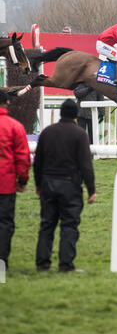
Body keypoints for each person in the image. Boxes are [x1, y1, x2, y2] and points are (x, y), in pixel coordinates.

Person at [34, 99, 96, 272]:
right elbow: (85, 165)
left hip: (48, 183)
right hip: (70, 185)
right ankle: (66, 264)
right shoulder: (80, 134)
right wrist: (91, 190)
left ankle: (42, 263)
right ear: (76, 115)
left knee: (46, 224)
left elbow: (38, 161)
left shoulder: (47, 132)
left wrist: (38, 184)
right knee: (69, 225)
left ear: (61, 113)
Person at [0, 90, 31, 270]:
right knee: (4, 224)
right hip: (5, 184)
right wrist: (23, 181)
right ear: (8, 103)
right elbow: (22, 158)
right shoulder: (15, 126)